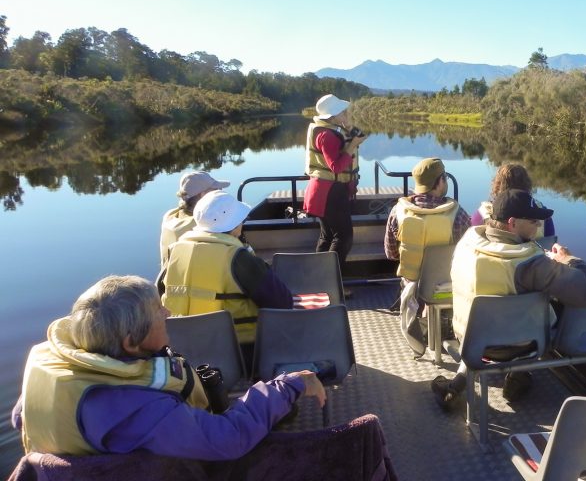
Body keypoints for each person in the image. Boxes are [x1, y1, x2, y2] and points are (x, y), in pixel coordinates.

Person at [11, 274, 326, 459]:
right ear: (131, 344)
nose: (168, 311)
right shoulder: (139, 409)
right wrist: (288, 385)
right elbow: (229, 438)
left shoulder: (47, 359)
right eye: (157, 310)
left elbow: (20, 418)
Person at [431, 189, 586, 410]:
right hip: (516, 346)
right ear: (513, 223)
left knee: (497, 311)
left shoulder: (467, 242)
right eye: (534, 221)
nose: (538, 227)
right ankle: (519, 373)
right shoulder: (530, 264)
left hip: (469, 339)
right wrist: (568, 259)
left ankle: (458, 383)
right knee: (559, 306)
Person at [158, 190, 293, 367]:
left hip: (183, 354)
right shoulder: (238, 258)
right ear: (234, 225)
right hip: (238, 353)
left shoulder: (174, 251)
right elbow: (283, 302)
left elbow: (161, 294)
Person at [384, 157, 471, 355]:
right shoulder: (457, 213)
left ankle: (419, 325)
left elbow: (390, 253)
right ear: (440, 181)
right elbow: (469, 251)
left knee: (410, 280)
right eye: (445, 178)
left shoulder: (397, 211)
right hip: (446, 288)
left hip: (412, 286)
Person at [303, 94, 367, 286]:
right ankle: (332, 284)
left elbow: (361, 137)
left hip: (323, 191)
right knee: (344, 237)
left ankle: (319, 281)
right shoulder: (326, 135)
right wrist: (352, 146)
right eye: (342, 111)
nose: (346, 113)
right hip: (329, 192)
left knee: (328, 235)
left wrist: (349, 128)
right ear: (332, 115)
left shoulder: (329, 129)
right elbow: (336, 167)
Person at [159, 171, 229, 268]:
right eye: (216, 190)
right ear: (203, 195)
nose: (220, 192)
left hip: (170, 280)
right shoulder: (205, 224)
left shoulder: (169, 216)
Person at [470, 163, 555, 237]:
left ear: (496, 186)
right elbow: (551, 242)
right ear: (527, 185)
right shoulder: (543, 213)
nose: (538, 223)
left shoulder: (480, 215)